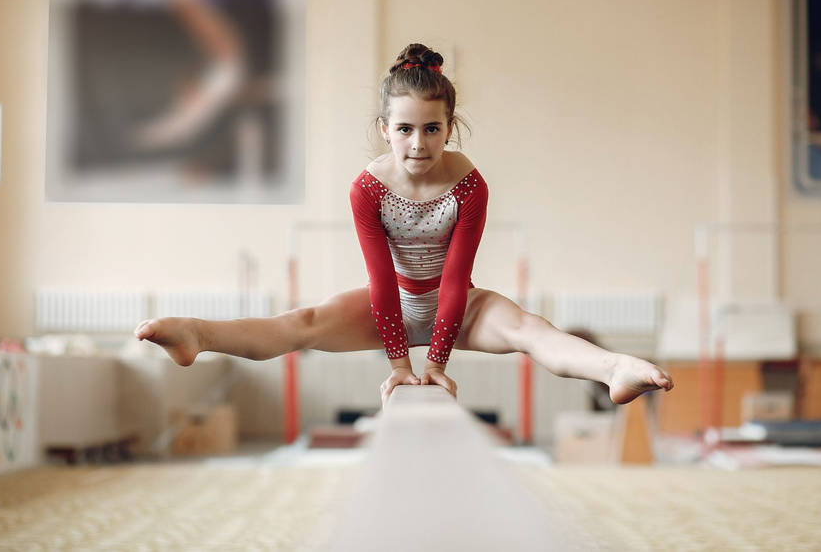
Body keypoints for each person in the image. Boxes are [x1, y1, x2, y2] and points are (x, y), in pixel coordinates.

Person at [135, 43, 674, 406]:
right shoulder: (367, 188)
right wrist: (400, 363)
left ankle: (612, 368)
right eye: (405, 129)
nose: (419, 144)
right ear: (385, 129)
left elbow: (459, 278)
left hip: (457, 304)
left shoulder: (469, 184)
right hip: (386, 300)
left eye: (432, 129)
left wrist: (434, 363)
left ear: (450, 128)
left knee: (529, 328)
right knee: (301, 322)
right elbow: (381, 281)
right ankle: (197, 334)